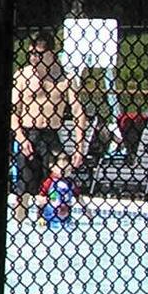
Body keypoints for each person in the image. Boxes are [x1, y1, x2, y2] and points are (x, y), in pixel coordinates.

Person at [11, 32, 89, 216]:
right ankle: (19, 224)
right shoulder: (22, 76)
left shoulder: (65, 79)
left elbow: (79, 113)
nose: (34, 59)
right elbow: (14, 112)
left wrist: (79, 148)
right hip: (28, 134)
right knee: (24, 191)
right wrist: (21, 139)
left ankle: (52, 224)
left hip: (51, 136)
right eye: (31, 54)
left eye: (38, 54)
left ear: (51, 54)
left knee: (56, 185)